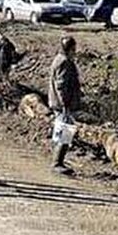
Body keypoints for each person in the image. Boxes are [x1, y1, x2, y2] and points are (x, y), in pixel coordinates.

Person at [47, 36, 82, 175]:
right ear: (70, 48)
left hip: (58, 103)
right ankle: (57, 163)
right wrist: (65, 104)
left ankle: (58, 161)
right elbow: (61, 86)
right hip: (63, 104)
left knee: (60, 132)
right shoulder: (64, 62)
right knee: (65, 132)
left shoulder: (59, 59)